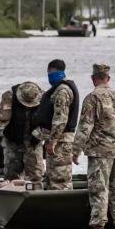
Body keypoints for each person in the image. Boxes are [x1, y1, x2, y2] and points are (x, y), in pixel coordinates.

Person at [72, 63, 115, 229]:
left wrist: (75, 150)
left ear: (93, 79)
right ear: (108, 78)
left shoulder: (92, 98)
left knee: (99, 190)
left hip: (99, 152)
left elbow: (85, 126)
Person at [32, 59, 80, 190]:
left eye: (49, 73)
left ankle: (63, 207)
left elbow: (60, 118)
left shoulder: (62, 91)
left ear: (52, 71)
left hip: (60, 142)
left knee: (60, 181)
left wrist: (53, 141)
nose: (49, 77)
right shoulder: (59, 89)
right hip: (58, 140)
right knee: (52, 178)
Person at [0, 80, 44, 185]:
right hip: (13, 142)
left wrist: (39, 135)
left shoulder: (44, 98)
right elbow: (1, 119)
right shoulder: (10, 97)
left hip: (33, 142)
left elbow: (48, 122)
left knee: (35, 176)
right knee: (11, 175)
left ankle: (36, 196)